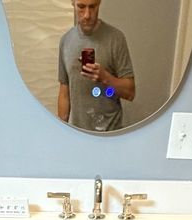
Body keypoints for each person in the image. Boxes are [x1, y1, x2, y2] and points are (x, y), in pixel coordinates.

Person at [58, 0, 135, 132]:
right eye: (81, 7)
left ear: (99, 3)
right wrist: (60, 130)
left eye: (92, 7)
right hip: (77, 134)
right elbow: (64, 92)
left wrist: (105, 77)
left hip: (109, 135)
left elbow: (130, 93)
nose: (87, 15)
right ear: (73, 4)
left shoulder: (116, 39)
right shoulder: (66, 41)